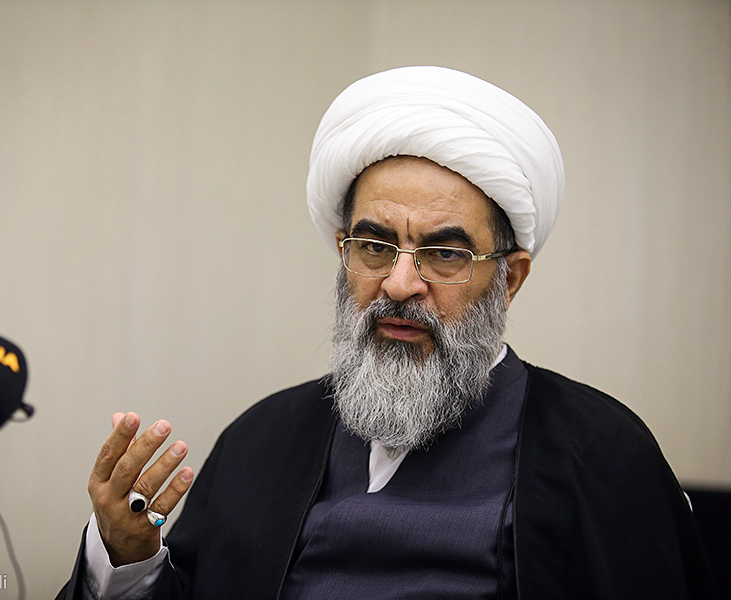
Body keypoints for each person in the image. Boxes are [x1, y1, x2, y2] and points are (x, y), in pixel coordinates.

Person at [57, 66, 717, 599]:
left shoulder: (603, 454)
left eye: (444, 253)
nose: (400, 284)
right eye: (374, 246)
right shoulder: (263, 439)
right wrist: (127, 560)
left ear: (509, 278)